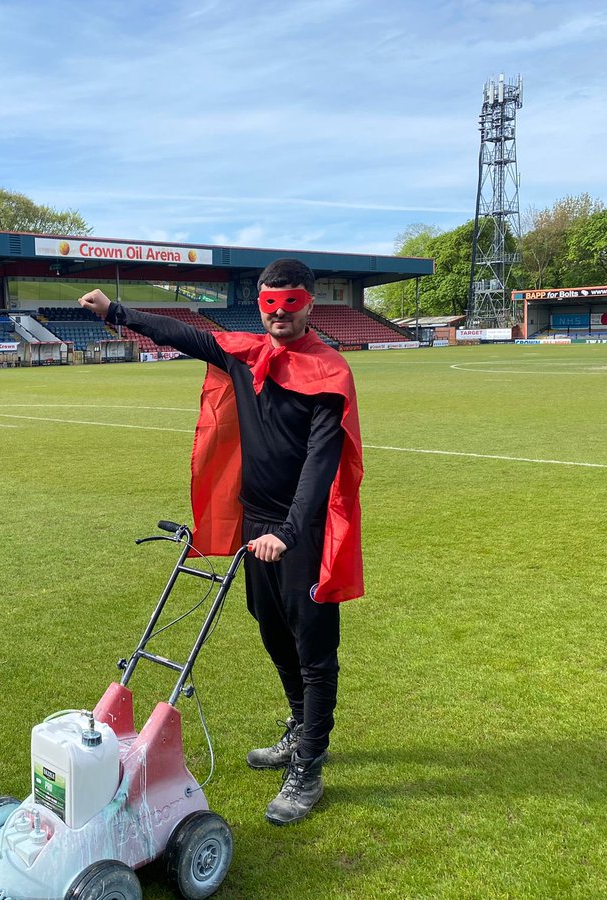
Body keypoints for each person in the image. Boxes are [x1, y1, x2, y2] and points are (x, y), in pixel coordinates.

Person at [79, 258, 364, 825]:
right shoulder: (246, 355)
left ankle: (309, 766)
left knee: (312, 646)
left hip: (302, 529)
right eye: (269, 304)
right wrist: (118, 313)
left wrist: (288, 532)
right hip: (255, 521)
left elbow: (320, 460)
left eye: (291, 303)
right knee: (272, 629)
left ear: (309, 304)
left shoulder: (329, 373)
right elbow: (185, 335)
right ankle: (298, 728)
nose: (280, 314)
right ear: (260, 304)